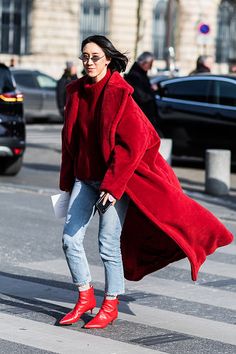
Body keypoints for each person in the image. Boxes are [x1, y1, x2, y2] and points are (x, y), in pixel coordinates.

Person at [59, 35, 233, 329]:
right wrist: (68, 179)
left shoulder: (119, 94)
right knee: (69, 239)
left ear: (108, 60)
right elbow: (71, 140)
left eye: (95, 57)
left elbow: (133, 144)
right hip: (85, 178)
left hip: (113, 182)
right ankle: (85, 295)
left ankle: (111, 303)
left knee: (107, 244)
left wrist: (113, 188)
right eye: (85, 57)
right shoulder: (75, 92)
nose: (88, 62)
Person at [124, 51, 160, 132]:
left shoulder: (140, 74)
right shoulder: (135, 76)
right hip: (141, 115)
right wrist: (152, 91)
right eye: (150, 64)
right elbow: (142, 97)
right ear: (144, 63)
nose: (150, 67)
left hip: (143, 115)